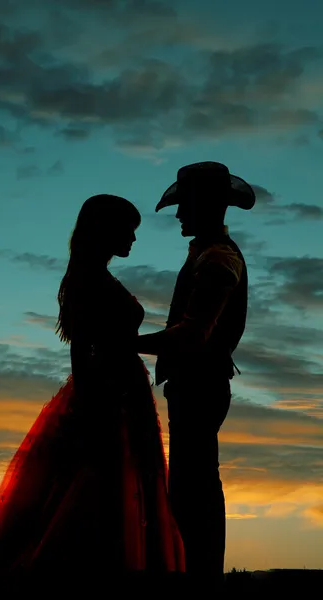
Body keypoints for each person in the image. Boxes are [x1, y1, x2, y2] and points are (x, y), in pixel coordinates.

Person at [0, 194, 184, 581]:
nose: (134, 240)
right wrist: (94, 406)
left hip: (120, 392)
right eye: (129, 231)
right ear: (106, 231)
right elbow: (82, 348)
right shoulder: (89, 279)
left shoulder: (95, 276)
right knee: (97, 492)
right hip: (108, 395)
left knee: (117, 492)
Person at [136, 162, 256, 591]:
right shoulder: (208, 254)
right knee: (191, 482)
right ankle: (193, 573)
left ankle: (199, 577)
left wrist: (125, 343)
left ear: (205, 206)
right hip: (196, 385)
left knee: (195, 485)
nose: (178, 214)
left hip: (200, 386)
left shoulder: (219, 258)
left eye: (185, 206)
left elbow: (192, 334)